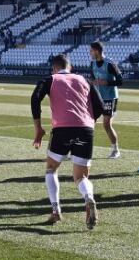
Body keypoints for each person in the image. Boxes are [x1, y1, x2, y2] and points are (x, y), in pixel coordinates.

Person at [31, 54, 103, 229]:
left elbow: (35, 98)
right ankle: (88, 197)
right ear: (69, 67)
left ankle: (56, 211)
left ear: (54, 68)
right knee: (81, 176)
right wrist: (86, 122)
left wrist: (38, 128)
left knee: (51, 169)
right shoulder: (84, 80)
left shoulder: (50, 79)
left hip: (62, 129)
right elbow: (100, 106)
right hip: (86, 129)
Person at [88, 42, 123, 159]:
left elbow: (120, 81)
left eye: (91, 51)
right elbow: (93, 77)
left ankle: (115, 150)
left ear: (97, 51)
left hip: (110, 97)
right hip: (98, 97)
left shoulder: (110, 64)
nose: (90, 53)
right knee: (87, 122)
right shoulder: (92, 63)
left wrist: (107, 82)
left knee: (106, 124)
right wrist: (91, 82)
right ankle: (80, 149)